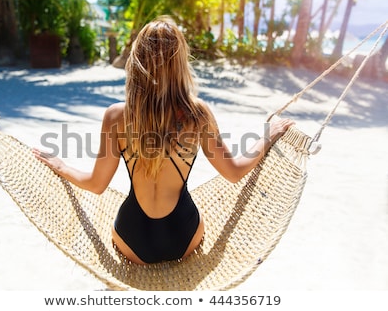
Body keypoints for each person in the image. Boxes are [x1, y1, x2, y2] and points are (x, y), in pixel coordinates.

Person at [33, 16, 294, 265]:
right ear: (180, 62)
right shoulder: (197, 113)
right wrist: (268, 135)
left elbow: (97, 184)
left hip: (131, 238)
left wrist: (60, 165)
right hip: (184, 236)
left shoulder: (116, 116)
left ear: (137, 61)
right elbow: (235, 172)